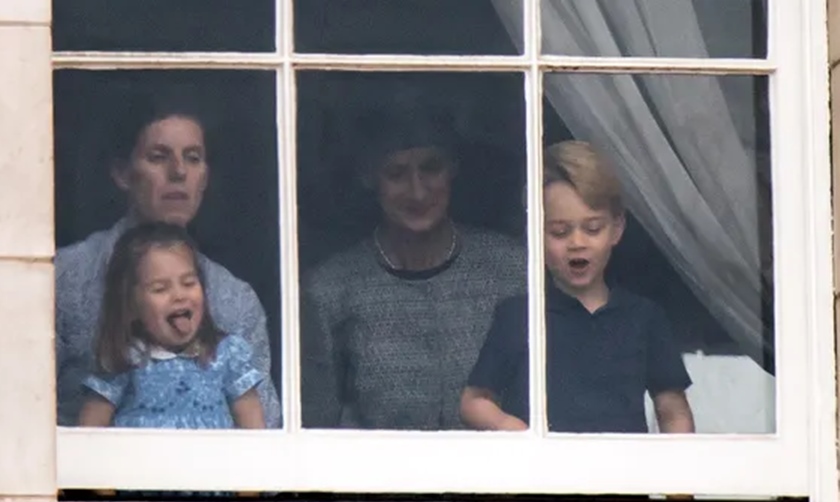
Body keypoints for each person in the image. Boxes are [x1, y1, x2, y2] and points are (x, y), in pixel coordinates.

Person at [56, 92, 281, 428]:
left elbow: (265, 431)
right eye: (159, 156)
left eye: (192, 158)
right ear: (122, 172)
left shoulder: (235, 300)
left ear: (204, 178)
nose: (178, 172)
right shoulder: (64, 277)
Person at [300, 106, 526, 430]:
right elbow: (316, 424)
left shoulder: (511, 270)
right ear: (369, 177)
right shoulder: (331, 289)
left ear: (453, 169)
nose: (418, 191)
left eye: (431, 168)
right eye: (396, 173)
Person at [461, 140, 695, 434]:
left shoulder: (644, 318)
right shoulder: (520, 317)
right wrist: (515, 430)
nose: (577, 243)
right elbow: (474, 401)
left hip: (623, 476)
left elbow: (673, 411)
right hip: (541, 475)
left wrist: (674, 473)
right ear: (535, 232)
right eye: (560, 232)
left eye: (593, 228)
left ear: (617, 228)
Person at [78, 222, 266, 430]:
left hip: (212, 462)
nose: (179, 296)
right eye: (160, 289)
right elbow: (90, 431)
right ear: (131, 306)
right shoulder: (125, 359)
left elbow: (254, 428)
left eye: (188, 283)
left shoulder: (225, 354)